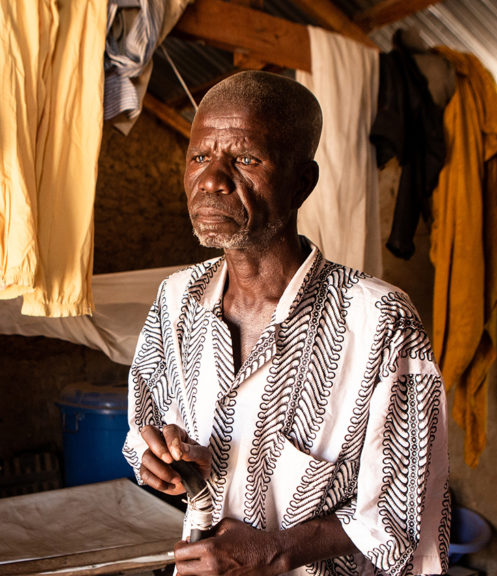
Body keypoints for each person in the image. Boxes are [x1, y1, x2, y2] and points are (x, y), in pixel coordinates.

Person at [122, 71, 450, 576]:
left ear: (303, 182)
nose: (212, 179)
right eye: (199, 157)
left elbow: (409, 517)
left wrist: (279, 550)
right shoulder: (177, 298)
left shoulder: (380, 321)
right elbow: (145, 425)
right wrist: (163, 459)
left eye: (246, 159)